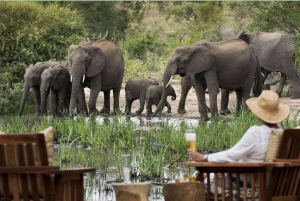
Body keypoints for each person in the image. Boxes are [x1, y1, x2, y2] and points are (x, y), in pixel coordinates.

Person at [187, 90, 290, 196]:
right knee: (210, 174)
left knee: (200, 182)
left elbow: (232, 155)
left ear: (259, 113)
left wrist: (204, 158)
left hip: (248, 185)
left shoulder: (256, 132)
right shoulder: (284, 135)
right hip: (277, 188)